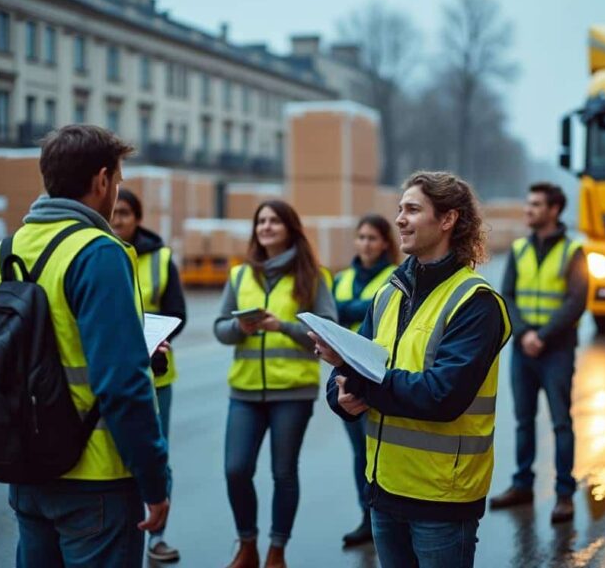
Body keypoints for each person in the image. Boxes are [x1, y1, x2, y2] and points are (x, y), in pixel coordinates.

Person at [0, 125, 170, 566]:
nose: (116, 190)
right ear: (101, 180)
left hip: (26, 472)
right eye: (118, 180)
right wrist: (155, 481)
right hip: (95, 478)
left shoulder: (3, 253)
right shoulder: (100, 252)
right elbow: (122, 385)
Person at [316, 171, 511, 568]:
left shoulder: (476, 302)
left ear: (447, 220)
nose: (399, 219)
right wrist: (340, 398)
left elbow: (442, 395)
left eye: (412, 209)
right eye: (399, 209)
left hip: (442, 497)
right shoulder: (388, 293)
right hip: (384, 489)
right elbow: (351, 370)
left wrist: (358, 383)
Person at [213, 200, 337, 568]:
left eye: (274, 221)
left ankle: (276, 550)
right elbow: (221, 329)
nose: (265, 227)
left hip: (293, 392)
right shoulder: (240, 276)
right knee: (236, 469)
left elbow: (326, 334)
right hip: (245, 391)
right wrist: (240, 327)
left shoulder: (314, 277)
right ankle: (247, 545)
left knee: (283, 472)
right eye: (261, 221)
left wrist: (281, 326)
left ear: (289, 228)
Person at [489, 182, 587, 523]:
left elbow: (577, 301)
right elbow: (507, 296)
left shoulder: (573, 251)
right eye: (528, 203)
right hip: (522, 350)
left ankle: (564, 495)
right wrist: (524, 333)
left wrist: (542, 336)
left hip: (556, 350)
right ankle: (522, 486)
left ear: (554, 210)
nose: (528, 210)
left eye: (535, 204)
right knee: (523, 420)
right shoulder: (518, 249)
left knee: (561, 422)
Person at [110, 188, 187, 563]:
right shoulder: (99, 252)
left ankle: (157, 537)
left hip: (157, 373)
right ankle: (126, 529)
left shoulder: (161, 259)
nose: (118, 220)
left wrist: (154, 338)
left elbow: (178, 314)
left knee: (157, 453)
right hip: (117, 370)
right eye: (114, 213)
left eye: (124, 213)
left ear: (137, 218)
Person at [332, 214, 400, 547]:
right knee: (360, 452)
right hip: (346, 375)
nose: (366, 244)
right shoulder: (342, 277)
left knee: (379, 452)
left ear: (386, 243)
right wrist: (351, 308)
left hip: (378, 375)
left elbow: (363, 309)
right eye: (361, 237)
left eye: (372, 238)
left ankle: (386, 517)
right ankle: (367, 517)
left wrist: (350, 309)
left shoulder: (395, 277)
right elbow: (332, 311)